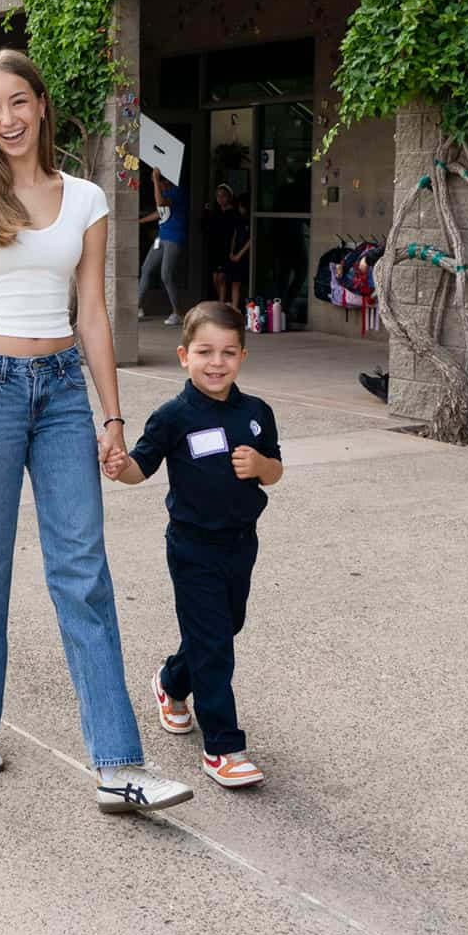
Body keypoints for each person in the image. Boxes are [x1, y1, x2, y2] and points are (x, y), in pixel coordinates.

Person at [0, 48, 191, 816]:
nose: (5, 120)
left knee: (83, 572)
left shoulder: (86, 199)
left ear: (41, 104)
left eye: (17, 102)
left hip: (66, 391)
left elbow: (94, 315)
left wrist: (113, 417)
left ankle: (119, 765)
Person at [103, 302, 284, 790]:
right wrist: (121, 470)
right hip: (192, 546)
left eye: (227, 352)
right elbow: (141, 466)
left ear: (242, 356)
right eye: (205, 351)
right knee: (215, 647)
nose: (216, 362)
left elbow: (276, 470)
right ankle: (223, 748)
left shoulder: (255, 413)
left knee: (226, 628)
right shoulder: (173, 417)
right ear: (185, 355)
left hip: (242, 543)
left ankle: (171, 681)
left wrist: (259, 466)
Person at [137, 164, 187, 326]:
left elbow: (160, 204)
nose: (160, 186)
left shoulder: (179, 192)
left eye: (162, 183)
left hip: (174, 238)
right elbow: (160, 213)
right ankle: (137, 306)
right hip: (162, 238)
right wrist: (140, 221)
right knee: (146, 269)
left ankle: (178, 313)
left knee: (166, 275)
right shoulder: (167, 191)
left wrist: (155, 181)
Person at [204, 183, 238, 305]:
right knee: (215, 279)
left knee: (222, 278)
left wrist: (232, 250)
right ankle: (224, 301)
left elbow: (234, 233)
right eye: (218, 196)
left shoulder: (234, 214)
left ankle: (221, 304)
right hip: (215, 248)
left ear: (229, 197)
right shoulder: (215, 213)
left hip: (226, 248)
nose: (220, 199)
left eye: (223, 196)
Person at [226, 195, 251, 310]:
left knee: (244, 283)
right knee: (234, 282)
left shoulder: (251, 220)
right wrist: (232, 252)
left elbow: (251, 240)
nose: (240, 209)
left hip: (245, 256)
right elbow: (234, 236)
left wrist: (239, 254)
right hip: (236, 254)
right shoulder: (239, 220)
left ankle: (245, 307)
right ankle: (235, 307)